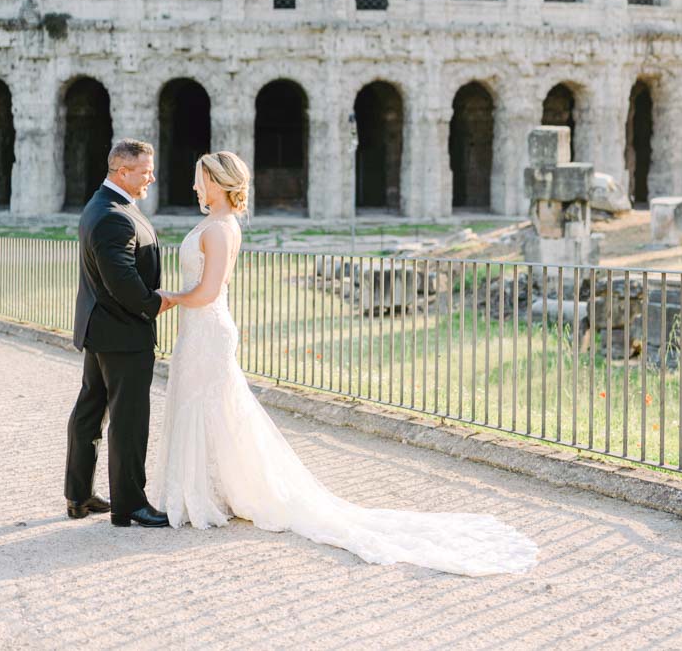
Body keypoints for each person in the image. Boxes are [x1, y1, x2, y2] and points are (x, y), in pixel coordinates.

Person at [154, 150, 538, 576]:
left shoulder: (221, 230)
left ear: (219, 183)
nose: (193, 186)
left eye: (199, 180)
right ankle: (206, 491)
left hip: (208, 328)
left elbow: (207, 291)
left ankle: (209, 494)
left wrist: (169, 299)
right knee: (207, 409)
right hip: (198, 330)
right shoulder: (217, 224)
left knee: (213, 407)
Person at [65, 138, 174, 528]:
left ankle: (78, 495)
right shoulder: (113, 214)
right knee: (128, 422)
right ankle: (129, 505)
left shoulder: (105, 204)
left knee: (90, 412)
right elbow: (122, 281)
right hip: (122, 333)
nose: (152, 177)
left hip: (101, 329)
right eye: (145, 171)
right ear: (122, 171)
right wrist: (156, 303)